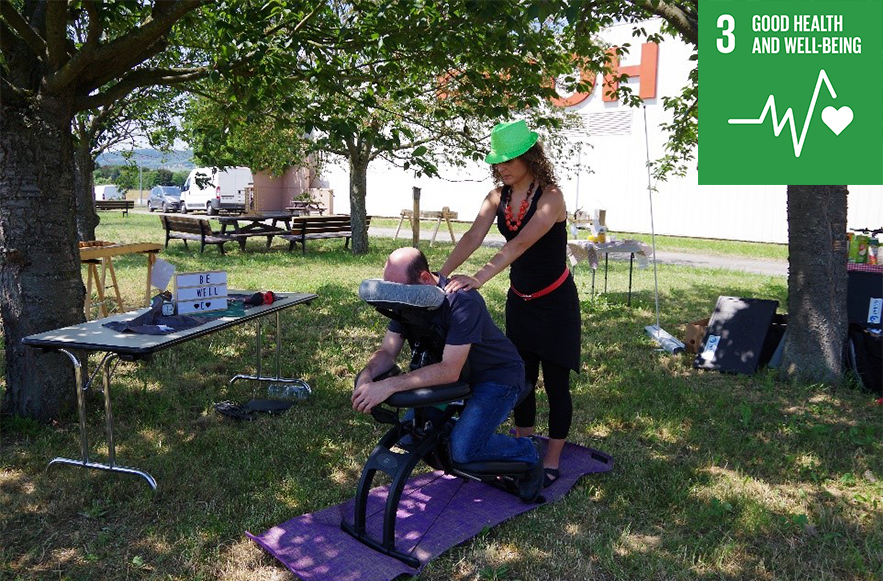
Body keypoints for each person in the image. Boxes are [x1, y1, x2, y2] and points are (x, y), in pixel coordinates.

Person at [439, 120, 580, 488]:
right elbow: (472, 235)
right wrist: (438, 276)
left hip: (556, 304)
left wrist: (478, 278)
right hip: (520, 301)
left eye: (508, 160)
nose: (500, 167)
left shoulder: (551, 197)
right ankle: (525, 447)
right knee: (522, 378)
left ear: (530, 156)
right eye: (496, 161)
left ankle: (551, 459)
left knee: (556, 382)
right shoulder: (496, 197)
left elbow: (518, 245)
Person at [353, 247, 544, 501]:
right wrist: (367, 375)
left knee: (463, 451)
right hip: (453, 376)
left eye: (396, 286)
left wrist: (389, 385)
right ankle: (459, 435)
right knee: (412, 434)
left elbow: (449, 370)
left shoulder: (462, 301)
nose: (392, 293)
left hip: (497, 377)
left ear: (423, 279)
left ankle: (528, 451)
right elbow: (387, 352)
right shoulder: (404, 299)